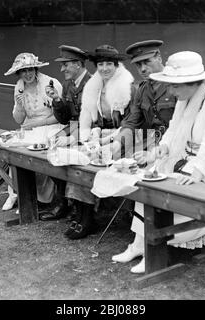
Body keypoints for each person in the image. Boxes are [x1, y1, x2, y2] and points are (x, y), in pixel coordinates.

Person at [112, 51, 205, 274]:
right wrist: (157, 152)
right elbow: (173, 133)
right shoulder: (186, 98)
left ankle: (155, 246)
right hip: (192, 159)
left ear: (192, 83)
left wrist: (193, 171)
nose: (170, 91)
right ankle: (138, 244)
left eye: (175, 86)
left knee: (167, 185)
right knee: (148, 178)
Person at [64, 44, 135, 240]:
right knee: (77, 157)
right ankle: (84, 214)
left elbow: (131, 122)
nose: (104, 69)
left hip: (122, 137)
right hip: (98, 134)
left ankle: (89, 217)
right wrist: (89, 134)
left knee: (93, 161)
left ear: (117, 65)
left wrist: (109, 138)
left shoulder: (128, 86)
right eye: (101, 64)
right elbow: (87, 116)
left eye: (109, 64)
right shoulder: (93, 85)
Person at [2, 52, 64, 211]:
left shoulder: (51, 83)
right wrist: (20, 106)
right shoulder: (19, 86)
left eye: (30, 69)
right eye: (23, 71)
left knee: (40, 151)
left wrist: (37, 123)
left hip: (51, 126)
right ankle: (17, 194)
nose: (27, 74)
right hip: (29, 127)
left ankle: (42, 199)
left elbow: (60, 116)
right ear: (19, 73)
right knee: (14, 149)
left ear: (36, 69)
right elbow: (18, 120)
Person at [40, 45, 91, 221]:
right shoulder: (69, 85)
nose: (62, 69)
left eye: (66, 65)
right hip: (74, 129)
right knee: (49, 151)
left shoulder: (92, 84)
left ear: (78, 64)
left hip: (91, 133)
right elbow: (65, 119)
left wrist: (71, 137)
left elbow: (93, 120)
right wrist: (56, 99)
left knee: (69, 157)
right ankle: (64, 203)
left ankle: (79, 208)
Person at [109, 40, 176, 159]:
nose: (143, 69)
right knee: (115, 158)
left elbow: (183, 126)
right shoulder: (142, 90)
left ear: (159, 58)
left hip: (173, 146)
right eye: (138, 65)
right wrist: (118, 142)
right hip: (151, 144)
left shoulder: (176, 84)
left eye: (147, 62)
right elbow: (132, 122)